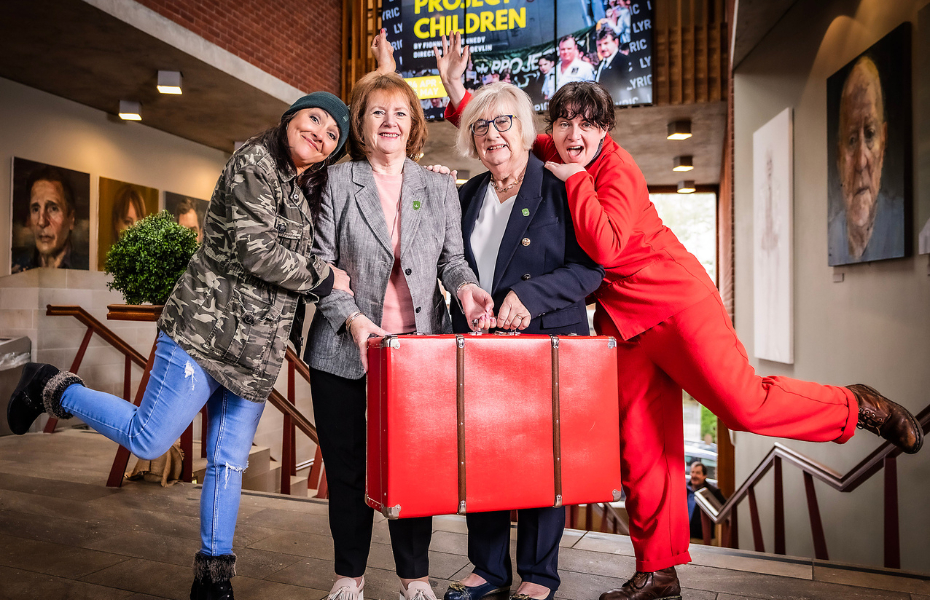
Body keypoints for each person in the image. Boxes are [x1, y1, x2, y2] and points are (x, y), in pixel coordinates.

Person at [431, 32, 923, 600]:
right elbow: (503, 130)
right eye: (563, 123)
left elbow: (609, 248)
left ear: (606, 131)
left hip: (673, 303)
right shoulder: (555, 150)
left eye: (587, 125)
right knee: (644, 446)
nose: (572, 136)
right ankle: (657, 570)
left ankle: (855, 405)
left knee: (744, 404)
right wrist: (456, 92)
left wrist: (576, 181)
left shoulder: (613, 171)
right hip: (623, 322)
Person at [7, 91, 353, 600]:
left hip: (255, 355)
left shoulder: (304, 193)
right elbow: (255, 252)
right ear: (291, 118)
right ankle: (51, 388)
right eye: (314, 119)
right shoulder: (254, 162)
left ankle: (213, 576)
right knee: (150, 437)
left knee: (228, 462)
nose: (319, 134)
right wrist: (324, 279)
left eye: (331, 136)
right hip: (203, 333)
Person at [303, 42, 495, 600]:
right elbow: (321, 265)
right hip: (343, 350)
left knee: (413, 468)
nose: (389, 121)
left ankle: (415, 576)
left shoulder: (438, 187)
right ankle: (350, 574)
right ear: (361, 123)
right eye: (377, 112)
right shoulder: (335, 182)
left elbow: (452, 260)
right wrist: (356, 322)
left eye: (401, 112)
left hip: (418, 351)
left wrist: (465, 288)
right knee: (348, 468)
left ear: (413, 124)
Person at [444, 82, 603, 600]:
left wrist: (530, 296)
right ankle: (488, 571)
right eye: (482, 126)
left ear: (526, 129)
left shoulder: (562, 187)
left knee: (542, 463)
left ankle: (538, 575)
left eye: (504, 123)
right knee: (483, 458)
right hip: (482, 350)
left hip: (547, 349)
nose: (493, 135)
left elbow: (591, 270)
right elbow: (453, 267)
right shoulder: (466, 195)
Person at [828, 55, 901, 265]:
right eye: (851, 140)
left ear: (884, 141)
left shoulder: (901, 224)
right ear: (838, 154)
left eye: (870, 134)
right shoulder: (832, 233)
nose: (861, 162)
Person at [12, 166, 88, 272]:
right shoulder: (16, 268)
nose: (42, 222)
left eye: (53, 209)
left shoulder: (85, 268)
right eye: (35, 209)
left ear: (71, 218)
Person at [685, 462, 725, 541]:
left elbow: (723, 510)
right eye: (692, 472)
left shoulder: (712, 492)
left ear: (704, 476)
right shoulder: (684, 489)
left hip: (702, 537)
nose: (694, 475)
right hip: (683, 535)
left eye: (698, 473)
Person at [594, 27, 630, 96]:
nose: (602, 48)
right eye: (599, 45)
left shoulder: (625, 61)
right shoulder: (600, 65)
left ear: (616, 42)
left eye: (606, 43)